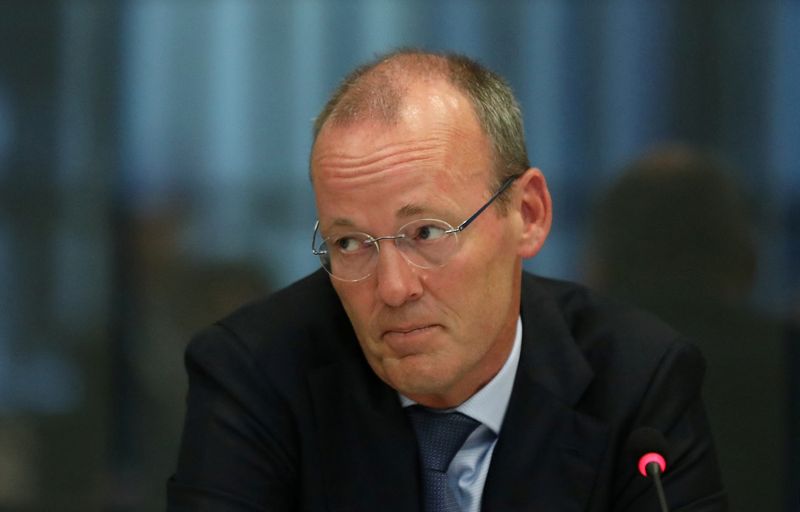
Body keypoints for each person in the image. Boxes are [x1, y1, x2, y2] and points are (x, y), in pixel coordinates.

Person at [167, 49, 727, 511]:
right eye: (351, 243)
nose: (392, 288)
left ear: (527, 214)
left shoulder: (637, 382)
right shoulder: (255, 375)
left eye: (427, 232)